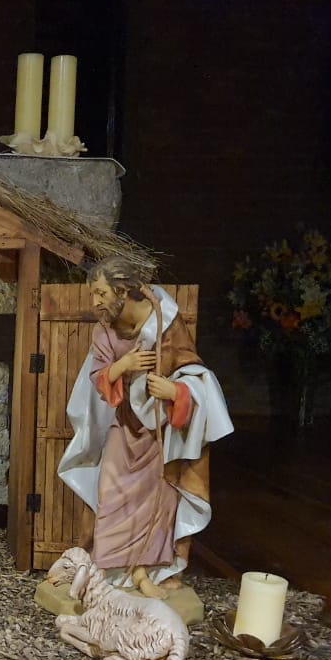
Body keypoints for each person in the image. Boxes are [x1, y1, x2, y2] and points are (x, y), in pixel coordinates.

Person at [57, 256, 233, 599]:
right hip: (124, 427)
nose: (95, 301)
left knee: (157, 503)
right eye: (93, 293)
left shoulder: (165, 322)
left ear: (123, 291)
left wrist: (175, 392)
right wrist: (124, 364)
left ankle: (143, 573)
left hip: (158, 433)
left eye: (100, 293)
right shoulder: (105, 331)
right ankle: (107, 572)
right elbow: (98, 378)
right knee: (110, 496)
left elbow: (195, 373)